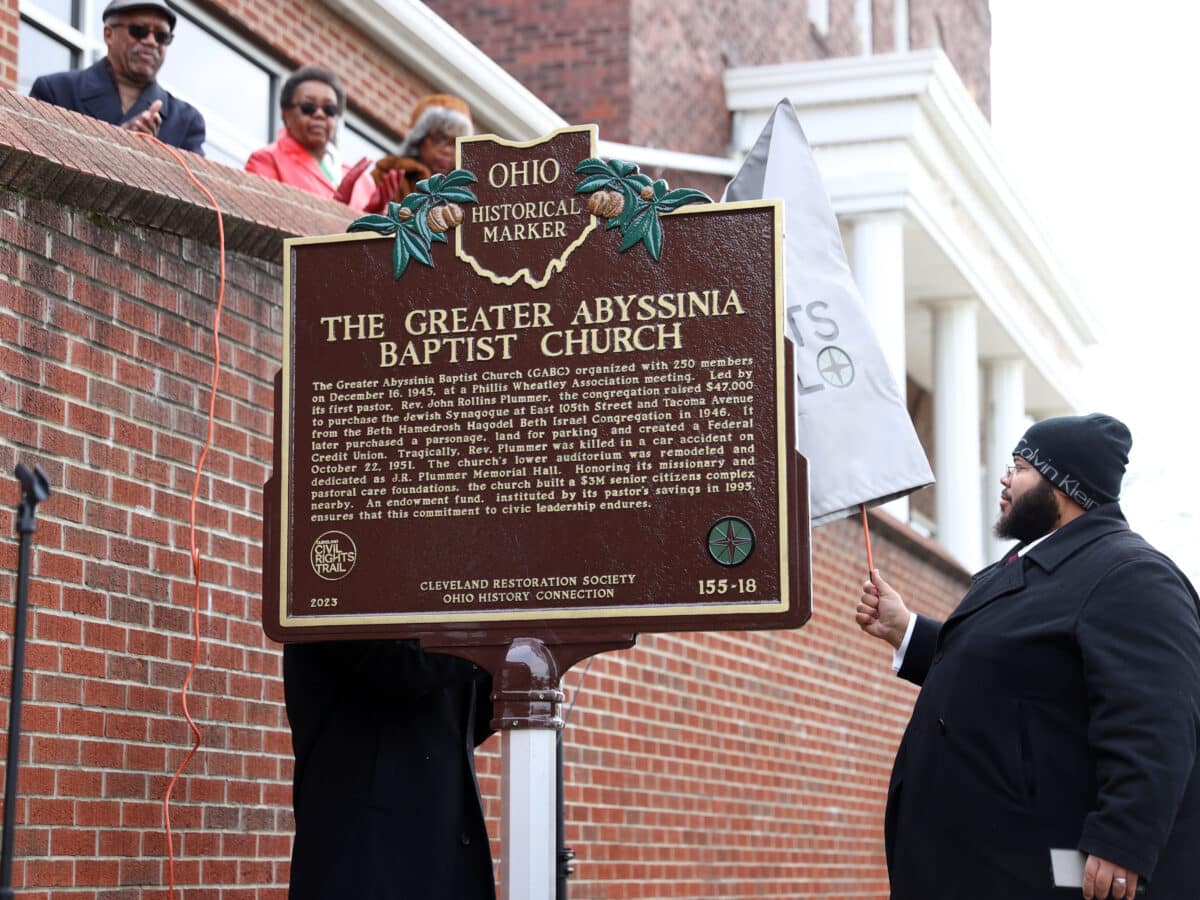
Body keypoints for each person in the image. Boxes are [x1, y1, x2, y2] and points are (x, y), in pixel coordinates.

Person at [856, 413, 1200, 900]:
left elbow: (1158, 716)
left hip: (1040, 872)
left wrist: (1123, 839)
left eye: (1018, 467)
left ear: (1062, 486)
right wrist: (906, 630)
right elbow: (1005, 669)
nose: (1003, 478)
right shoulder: (1029, 568)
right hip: (971, 863)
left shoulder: (1131, 574)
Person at [283, 639, 496, 898]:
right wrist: (495, 639)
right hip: (366, 857)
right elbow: (401, 666)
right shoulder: (332, 601)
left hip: (439, 855)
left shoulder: (442, 623)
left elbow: (465, 724)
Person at [29, 0, 205, 154]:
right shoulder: (56, 91)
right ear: (109, 34)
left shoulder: (186, 122)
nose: (151, 41)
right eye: (139, 31)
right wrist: (119, 141)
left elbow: (192, 189)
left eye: (161, 36)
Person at [244, 66, 398, 211]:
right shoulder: (267, 160)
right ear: (286, 114)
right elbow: (263, 226)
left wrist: (375, 220)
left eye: (329, 109)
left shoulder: (363, 182)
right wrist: (331, 213)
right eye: (308, 107)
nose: (319, 114)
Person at [371, 93, 474, 203]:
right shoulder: (388, 174)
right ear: (419, 137)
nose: (447, 150)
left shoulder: (464, 197)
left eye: (455, 144)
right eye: (439, 139)